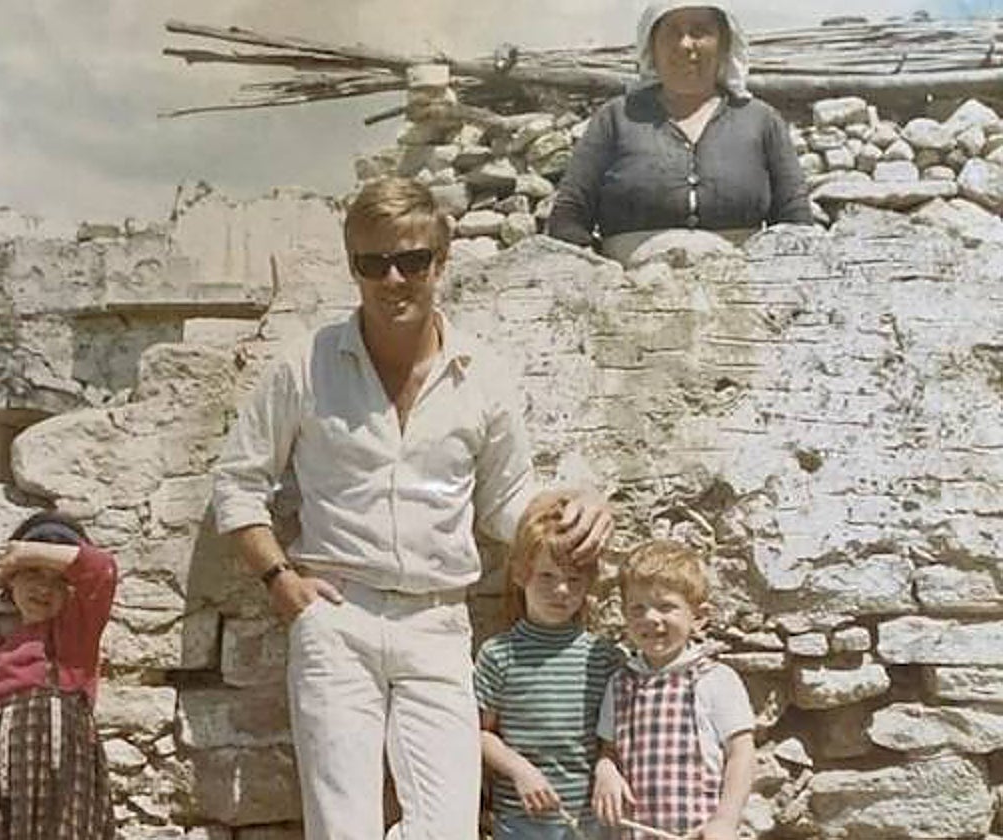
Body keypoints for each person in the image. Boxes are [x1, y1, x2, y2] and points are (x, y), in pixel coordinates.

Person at [211, 176, 614, 840]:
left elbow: (506, 501)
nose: (394, 278)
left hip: (437, 623)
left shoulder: (481, 373)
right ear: (353, 268)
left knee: (449, 828)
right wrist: (280, 582)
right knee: (344, 829)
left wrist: (573, 508)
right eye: (374, 263)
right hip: (337, 616)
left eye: (412, 260)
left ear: (441, 261)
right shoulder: (305, 367)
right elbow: (237, 484)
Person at [547, 1, 812, 260]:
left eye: (699, 32)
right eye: (672, 33)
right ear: (652, 47)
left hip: (744, 293)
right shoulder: (615, 118)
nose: (685, 45)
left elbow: (795, 219)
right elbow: (569, 216)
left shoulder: (761, 120)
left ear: (724, 44)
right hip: (631, 292)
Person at [0, 511, 118, 840]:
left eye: (57, 579)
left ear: (72, 592)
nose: (43, 587)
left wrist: (27, 553)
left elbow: (101, 570)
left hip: (56, 769)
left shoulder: (72, 637)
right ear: (11, 581)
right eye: (32, 574)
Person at [475, 491, 621, 839]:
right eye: (546, 576)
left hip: (589, 820)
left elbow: (617, 730)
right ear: (520, 575)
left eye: (573, 580)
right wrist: (519, 770)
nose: (560, 590)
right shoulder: (499, 654)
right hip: (523, 821)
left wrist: (609, 766)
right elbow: (479, 732)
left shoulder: (602, 656)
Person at [592, 540, 754, 840]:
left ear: (699, 617)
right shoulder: (621, 683)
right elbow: (609, 749)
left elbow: (741, 754)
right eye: (637, 608)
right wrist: (606, 771)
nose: (651, 618)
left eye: (666, 606)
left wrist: (725, 820)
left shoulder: (715, 679)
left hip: (699, 832)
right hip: (637, 831)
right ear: (624, 615)